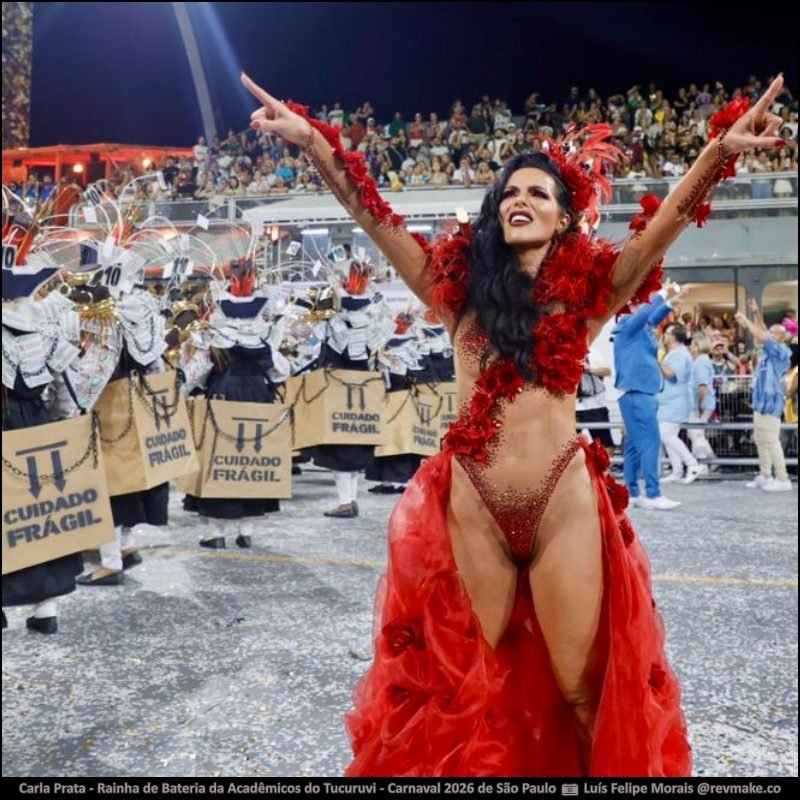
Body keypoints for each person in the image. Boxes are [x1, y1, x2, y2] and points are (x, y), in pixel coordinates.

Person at [243, 71, 785, 777]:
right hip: (474, 507)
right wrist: (315, 142)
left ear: (564, 216)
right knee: (463, 689)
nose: (520, 198)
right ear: (494, 212)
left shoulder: (591, 297)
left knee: (584, 695)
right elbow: (373, 217)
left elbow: (659, 232)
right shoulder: (452, 294)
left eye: (538, 191)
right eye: (510, 192)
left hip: (561, 503)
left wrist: (719, 152)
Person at [613, 284, 684, 508]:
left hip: (637, 393)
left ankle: (633, 493)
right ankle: (653, 494)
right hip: (638, 393)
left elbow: (652, 317)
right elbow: (646, 313)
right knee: (651, 442)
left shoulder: (639, 329)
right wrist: (662, 294)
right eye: (637, 302)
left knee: (634, 445)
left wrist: (672, 302)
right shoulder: (627, 327)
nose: (641, 305)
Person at [735, 299, 793, 492]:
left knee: (771, 440)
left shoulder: (781, 351)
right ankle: (766, 475)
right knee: (761, 439)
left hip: (770, 403)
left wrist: (746, 321)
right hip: (760, 403)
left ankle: (783, 478)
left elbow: (762, 334)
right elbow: (763, 331)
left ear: (780, 337)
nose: (767, 334)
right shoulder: (769, 352)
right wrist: (756, 312)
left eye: (772, 333)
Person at [658, 323, 704, 484]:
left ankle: (692, 465)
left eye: (667, 333)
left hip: (674, 402)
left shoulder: (679, 354)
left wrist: (656, 361)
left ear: (673, 336)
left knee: (666, 435)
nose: (664, 335)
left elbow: (671, 374)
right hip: (668, 402)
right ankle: (677, 471)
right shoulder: (676, 353)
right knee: (669, 436)